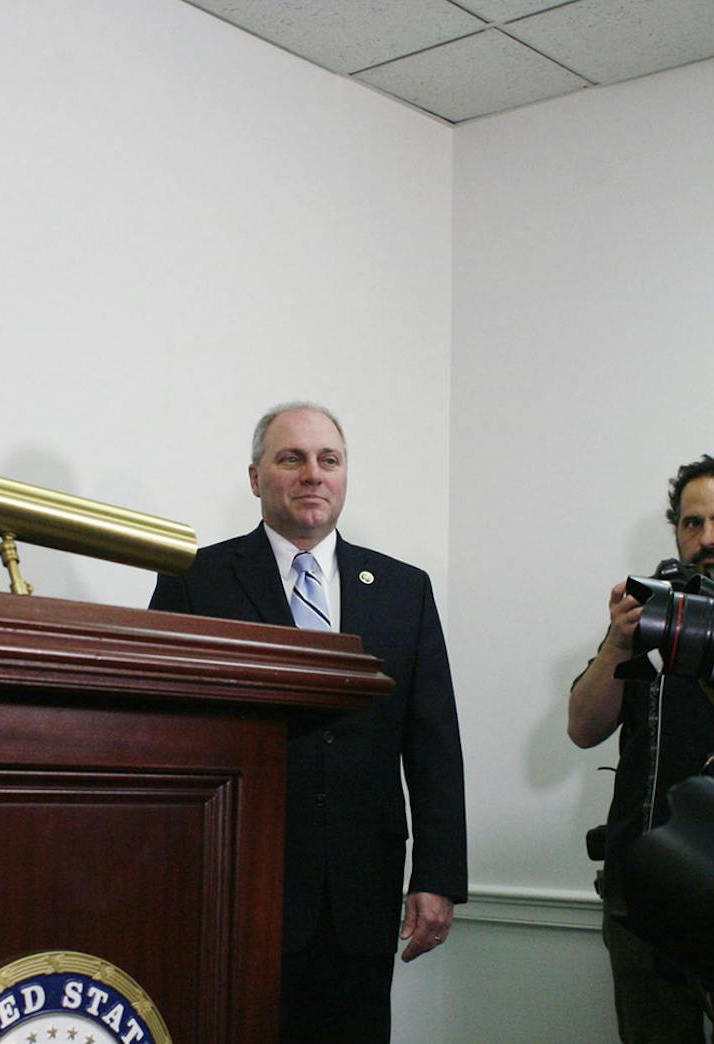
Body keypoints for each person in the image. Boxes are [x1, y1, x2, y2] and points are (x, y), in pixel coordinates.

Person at [147, 403, 468, 1043]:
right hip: (236, 886)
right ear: (255, 477)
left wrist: (437, 877)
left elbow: (433, 742)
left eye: (329, 460)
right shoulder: (197, 581)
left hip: (361, 891)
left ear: (345, 476)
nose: (312, 475)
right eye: (291, 458)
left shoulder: (404, 589)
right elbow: (161, 738)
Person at [566, 454, 714, 1044]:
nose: (707, 538)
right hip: (642, 896)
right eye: (691, 523)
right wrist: (619, 643)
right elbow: (583, 727)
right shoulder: (647, 625)